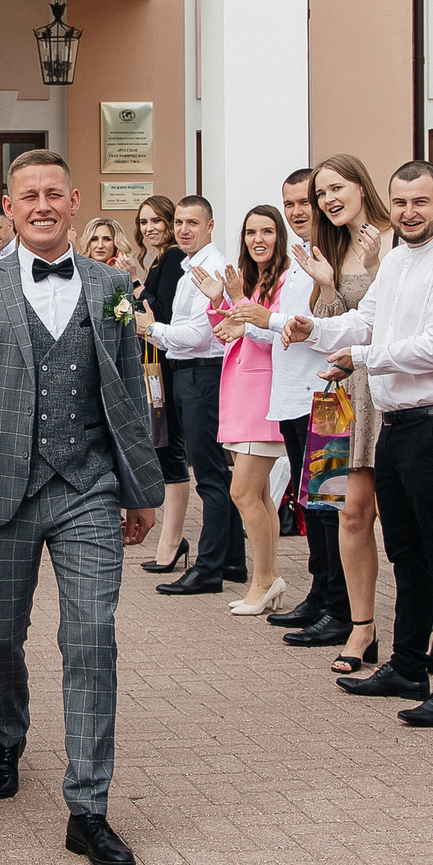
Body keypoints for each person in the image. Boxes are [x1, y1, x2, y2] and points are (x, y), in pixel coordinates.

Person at [0, 149, 164, 865]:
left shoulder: (112, 284)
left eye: (54, 193)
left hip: (87, 485)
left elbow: (123, 394)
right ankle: (9, 732)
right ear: (10, 203)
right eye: (28, 195)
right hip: (2, 485)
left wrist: (137, 488)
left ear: (74, 197)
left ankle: (88, 807)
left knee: (91, 634)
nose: (43, 205)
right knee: (0, 634)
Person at [286, 161, 433, 725]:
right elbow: (365, 320)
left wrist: (361, 356)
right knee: (407, 554)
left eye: (421, 202)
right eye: (401, 204)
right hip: (399, 426)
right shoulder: (397, 258)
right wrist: (315, 329)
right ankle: (406, 664)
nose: (409, 213)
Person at [290, 157, 395, 674]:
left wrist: (376, 269)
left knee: (402, 522)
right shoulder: (332, 247)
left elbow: (391, 320)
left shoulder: (394, 238)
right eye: (321, 195)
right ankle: (362, 627)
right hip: (346, 389)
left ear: (361, 185)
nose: (328, 200)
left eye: (336, 189)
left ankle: (428, 626)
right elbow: (335, 325)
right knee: (349, 514)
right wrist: (327, 285)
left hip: (389, 385)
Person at [190, 204, 304, 616]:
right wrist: (220, 302)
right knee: (257, 495)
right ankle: (268, 578)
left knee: (242, 491)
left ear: (280, 237)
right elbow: (233, 335)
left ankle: (264, 580)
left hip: (262, 397)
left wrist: (236, 303)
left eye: (267, 231)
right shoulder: (256, 282)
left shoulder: (289, 279)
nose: (259, 239)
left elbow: (275, 333)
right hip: (239, 394)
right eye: (252, 232)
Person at [149, 197, 244, 597]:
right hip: (191, 373)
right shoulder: (189, 268)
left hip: (202, 374)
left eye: (193, 223)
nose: (184, 229)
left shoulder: (210, 269)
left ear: (210, 225)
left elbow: (197, 336)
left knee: (209, 475)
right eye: (180, 223)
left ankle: (208, 568)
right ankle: (233, 560)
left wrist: (150, 329)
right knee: (216, 474)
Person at [273, 168, 351, 641]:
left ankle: (339, 607)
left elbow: (335, 322)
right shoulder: (293, 261)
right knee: (312, 505)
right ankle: (321, 593)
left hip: (331, 398)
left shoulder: (338, 256)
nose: (299, 211)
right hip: (299, 395)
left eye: (307, 201)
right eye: (292, 204)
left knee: (329, 503)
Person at [131, 196, 195, 571]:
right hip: (157, 361)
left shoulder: (171, 259)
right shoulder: (158, 259)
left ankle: (172, 542)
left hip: (170, 363)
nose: (149, 228)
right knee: (162, 448)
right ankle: (173, 541)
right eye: (143, 222)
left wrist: (137, 290)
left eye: (157, 220)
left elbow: (161, 311)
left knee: (169, 451)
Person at [81, 215, 141, 285]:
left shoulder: (126, 272)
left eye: (107, 239)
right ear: (88, 242)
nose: (100, 245)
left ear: (116, 243)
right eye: (94, 239)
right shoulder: (78, 271)